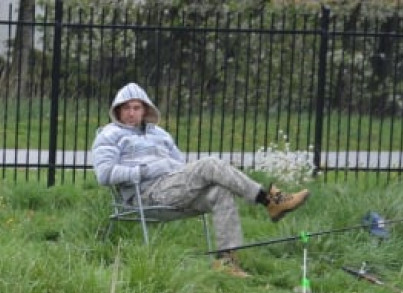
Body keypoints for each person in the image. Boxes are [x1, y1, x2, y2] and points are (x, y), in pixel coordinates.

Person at [92, 83, 310, 277]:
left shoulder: (160, 134)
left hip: (174, 189)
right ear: (117, 110)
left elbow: (180, 165)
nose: (131, 113)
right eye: (126, 108)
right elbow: (104, 174)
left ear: (145, 109)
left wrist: (171, 168)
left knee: (221, 191)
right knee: (209, 164)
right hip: (145, 195)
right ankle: (269, 200)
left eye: (136, 108)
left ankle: (227, 261)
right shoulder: (110, 134)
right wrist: (146, 170)